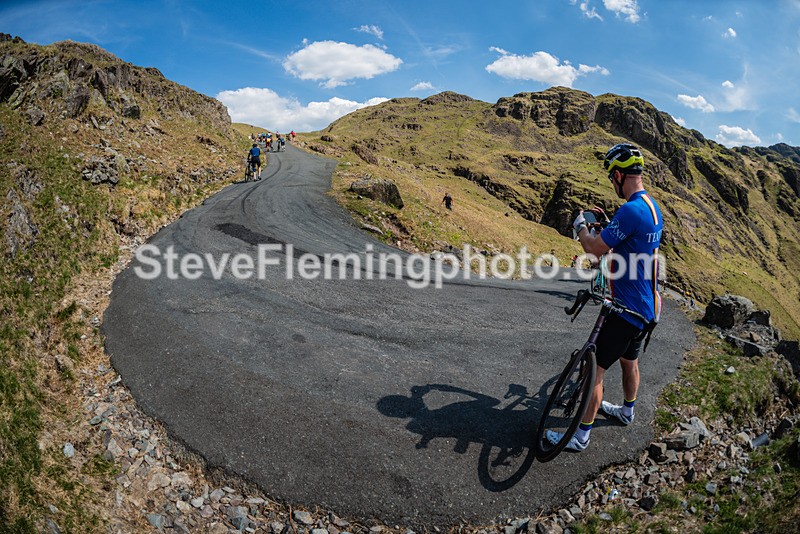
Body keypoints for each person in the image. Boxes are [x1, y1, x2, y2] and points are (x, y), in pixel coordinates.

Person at [548, 143, 663, 452]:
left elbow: (593, 249)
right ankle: (627, 411)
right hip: (649, 306)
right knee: (629, 362)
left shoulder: (630, 210)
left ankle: (580, 436)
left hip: (626, 310)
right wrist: (610, 228)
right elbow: (631, 243)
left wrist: (582, 228)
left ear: (618, 174)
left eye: (610, 177)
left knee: (592, 372)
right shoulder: (652, 206)